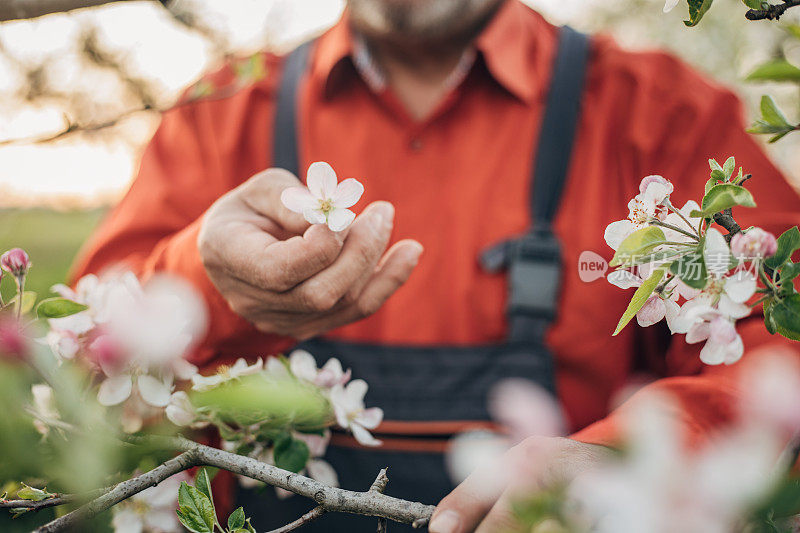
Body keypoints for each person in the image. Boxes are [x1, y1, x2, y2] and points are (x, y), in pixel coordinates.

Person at [72, 0, 800, 531]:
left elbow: (783, 350)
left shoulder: (663, 115)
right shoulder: (223, 112)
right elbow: (74, 371)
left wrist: (630, 464)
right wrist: (204, 284)